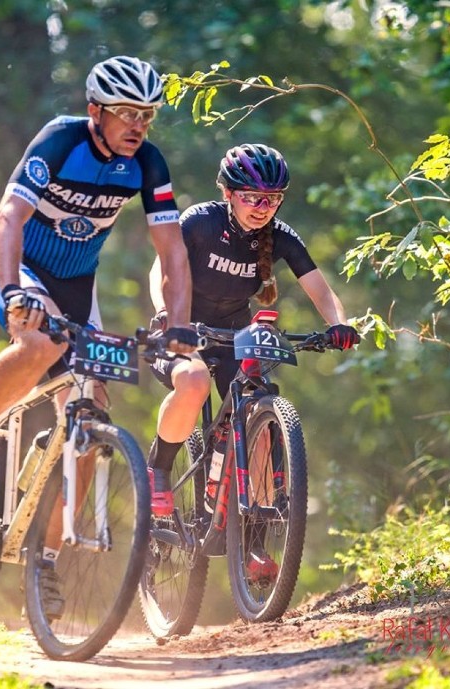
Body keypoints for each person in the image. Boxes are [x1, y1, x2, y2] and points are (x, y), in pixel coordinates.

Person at [0, 56, 199, 615]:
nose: (138, 125)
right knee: (39, 346)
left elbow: (172, 251)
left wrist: (180, 324)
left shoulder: (148, 164)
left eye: (147, 115)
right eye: (126, 114)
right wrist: (14, 291)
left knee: (93, 408)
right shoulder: (61, 140)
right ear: (95, 111)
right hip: (16, 264)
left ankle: (46, 554)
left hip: (76, 285)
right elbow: (8, 219)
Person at [145, 143, 359, 577]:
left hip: (233, 334)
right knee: (194, 382)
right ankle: (158, 473)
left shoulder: (280, 236)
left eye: (273, 198)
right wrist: (169, 314)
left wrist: (340, 324)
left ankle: (253, 543)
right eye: (253, 197)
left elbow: (320, 288)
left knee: (259, 415)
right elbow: (163, 269)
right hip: (183, 327)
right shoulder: (199, 222)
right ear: (228, 193)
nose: (263, 207)